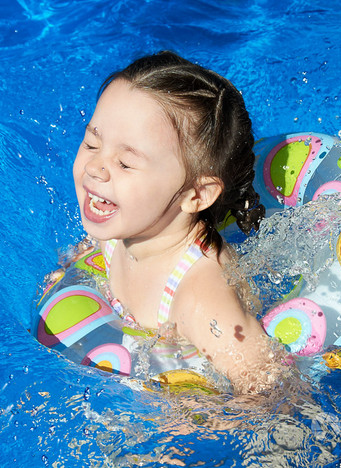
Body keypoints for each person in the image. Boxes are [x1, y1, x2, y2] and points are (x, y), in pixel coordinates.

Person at [70, 51, 280, 394]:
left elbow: (269, 391)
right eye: (92, 143)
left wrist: (195, 422)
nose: (96, 166)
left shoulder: (200, 295)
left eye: (125, 163)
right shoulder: (120, 226)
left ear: (196, 195)